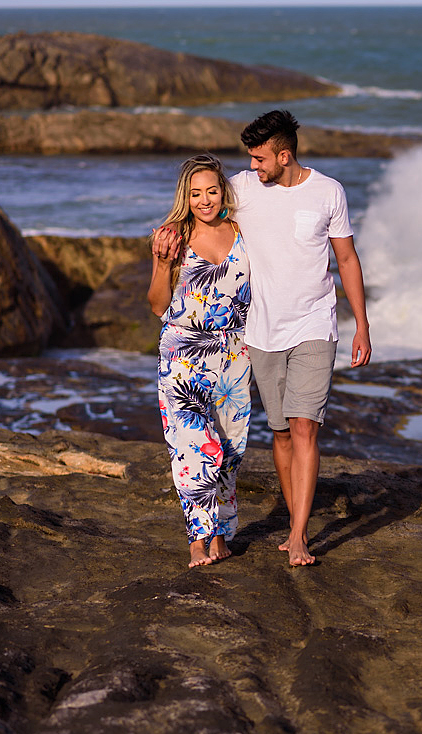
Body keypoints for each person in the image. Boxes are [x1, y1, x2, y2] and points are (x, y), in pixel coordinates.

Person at [231, 109, 372, 567]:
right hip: (260, 329)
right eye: (251, 158)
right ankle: (298, 521)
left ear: (284, 155)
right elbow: (201, 205)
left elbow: (347, 260)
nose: (254, 166)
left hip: (314, 324)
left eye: (260, 158)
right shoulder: (242, 188)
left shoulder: (328, 192)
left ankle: (297, 536)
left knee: (305, 425)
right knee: (281, 433)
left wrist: (362, 324)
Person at [148, 154, 252, 568]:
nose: (205, 200)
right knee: (196, 446)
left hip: (235, 353)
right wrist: (160, 262)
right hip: (183, 353)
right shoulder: (173, 237)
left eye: (211, 191)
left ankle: (223, 531)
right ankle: (198, 537)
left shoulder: (245, 231)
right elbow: (157, 305)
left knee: (231, 447)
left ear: (223, 191)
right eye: (195, 193)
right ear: (185, 197)